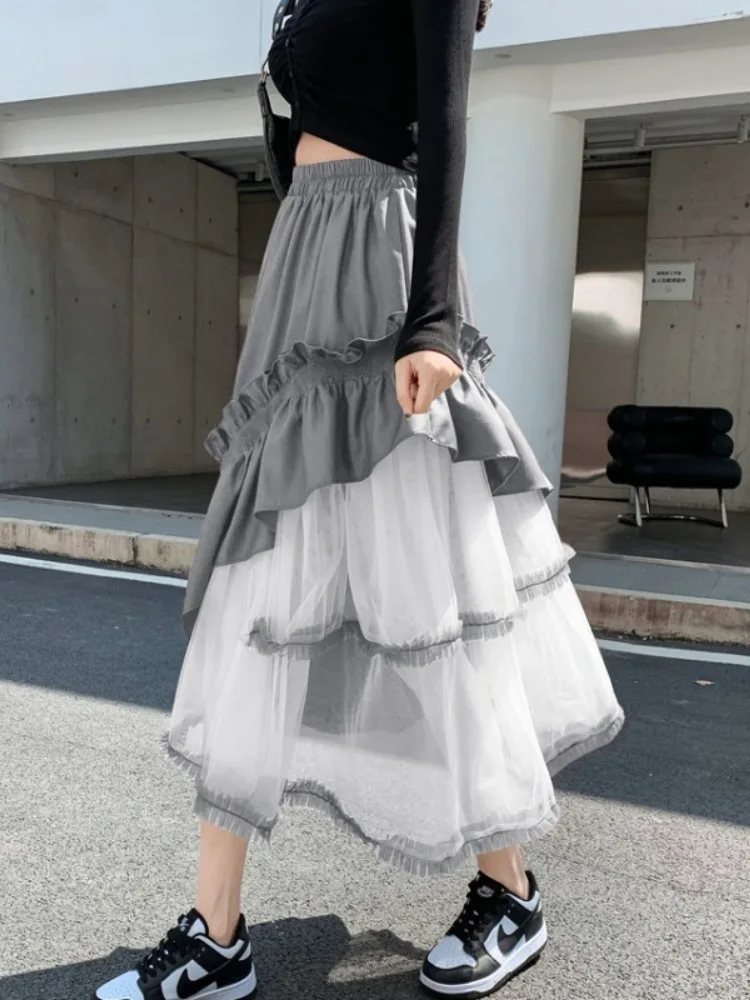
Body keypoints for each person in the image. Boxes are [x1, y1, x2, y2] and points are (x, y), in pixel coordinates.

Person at [94, 1, 624, 998]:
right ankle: (216, 934)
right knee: (265, 574)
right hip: (306, 258)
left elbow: (447, 124)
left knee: (431, 584)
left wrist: (434, 321)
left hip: (381, 265)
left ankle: (510, 892)